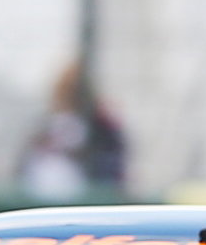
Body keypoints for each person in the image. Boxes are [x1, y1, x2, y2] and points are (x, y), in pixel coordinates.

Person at [17, 63, 128, 199]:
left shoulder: (100, 124)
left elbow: (110, 163)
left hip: (81, 192)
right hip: (40, 191)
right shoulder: (47, 121)